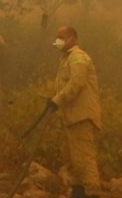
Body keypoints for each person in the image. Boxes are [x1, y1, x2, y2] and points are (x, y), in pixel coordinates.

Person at [45, 25, 101, 198]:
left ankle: (92, 193)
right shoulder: (66, 59)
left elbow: (76, 84)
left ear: (72, 38)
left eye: (61, 37)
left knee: (84, 159)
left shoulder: (78, 58)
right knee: (73, 160)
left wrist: (57, 100)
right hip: (71, 116)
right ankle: (79, 192)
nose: (58, 40)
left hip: (81, 116)